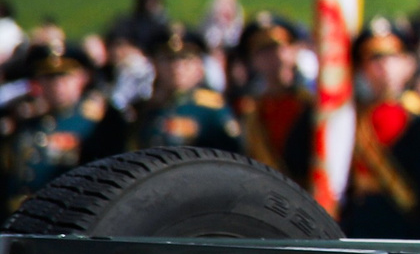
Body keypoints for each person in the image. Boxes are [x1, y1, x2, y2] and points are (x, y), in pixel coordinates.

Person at [341, 19, 420, 239]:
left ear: (408, 63)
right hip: (362, 220)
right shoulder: (351, 117)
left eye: (392, 57)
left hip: (408, 221)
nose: (384, 66)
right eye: (374, 58)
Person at [3, 42, 122, 213]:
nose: (56, 85)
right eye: (48, 77)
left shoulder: (97, 124)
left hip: (70, 217)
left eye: (64, 76)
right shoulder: (28, 124)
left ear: (83, 78)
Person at [132, 28, 243, 153]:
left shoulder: (211, 108)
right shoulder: (143, 109)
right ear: (155, 64)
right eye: (169, 59)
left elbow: (233, 153)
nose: (177, 67)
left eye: (185, 59)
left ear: (198, 65)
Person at [233, 19, 316, 183]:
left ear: (294, 51)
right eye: (263, 51)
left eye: (280, 47)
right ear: (252, 60)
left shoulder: (310, 105)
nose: (274, 56)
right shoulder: (247, 109)